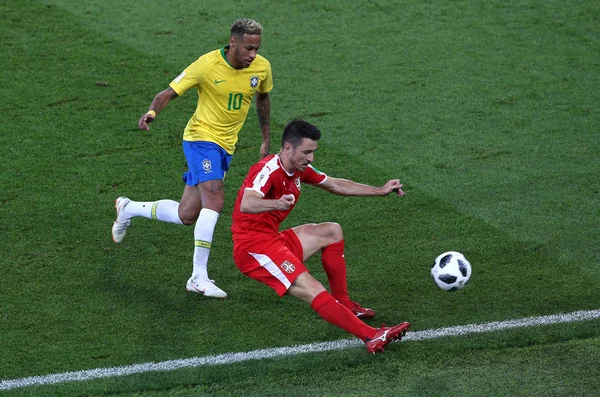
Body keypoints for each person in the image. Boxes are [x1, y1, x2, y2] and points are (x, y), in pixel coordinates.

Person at [111, 18, 273, 298]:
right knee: (215, 199)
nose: (252, 55)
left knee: (187, 214)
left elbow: (262, 99)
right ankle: (198, 277)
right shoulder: (206, 65)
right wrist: (151, 113)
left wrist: (266, 137)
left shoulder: (262, 67)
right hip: (200, 139)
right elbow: (168, 93)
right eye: (248, 48)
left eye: (256, 49)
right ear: (233, 42)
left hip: (225, 147)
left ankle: (128, 208)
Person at [231, 120, 411, 353]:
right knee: (311, 286)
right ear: (288, 148)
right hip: (253, 249)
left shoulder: (298, 170)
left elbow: (335, 185)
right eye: (306, 152)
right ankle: (371, 337)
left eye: (313, 152)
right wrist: (276, 202)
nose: (311, 158)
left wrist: (379, 190)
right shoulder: (268, 170)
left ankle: (345, 304)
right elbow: (247, 203)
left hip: (271, 239)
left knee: (332, 231)